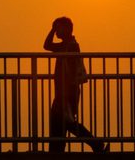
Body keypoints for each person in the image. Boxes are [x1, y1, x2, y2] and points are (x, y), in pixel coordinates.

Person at [44, 17, 108, 153]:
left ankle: (96, 144)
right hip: (62, 92)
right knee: (62, 122)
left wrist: (67, 93)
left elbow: (72, 72)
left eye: (58, 27)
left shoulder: (72, 46)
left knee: (65, 122)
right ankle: (58, 150)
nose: (56, 31)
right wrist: (53, 28)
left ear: (67, 29)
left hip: (67, 92)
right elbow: (47, 45)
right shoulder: (64, 45)